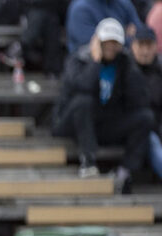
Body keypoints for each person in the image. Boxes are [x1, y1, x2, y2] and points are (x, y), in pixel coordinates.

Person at [54, 17, 152, 192]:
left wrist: (129, 63)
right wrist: (96, 61)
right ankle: (88, 161)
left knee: (145, 117)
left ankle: (125, 171)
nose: (111, 47)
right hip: (74, 123)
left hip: (104, 123)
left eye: (115, 43)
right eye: (107, 42)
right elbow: (82, 87)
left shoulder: (124, 63)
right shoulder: (79, 59)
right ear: (97, 41)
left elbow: (139, 99)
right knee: (83, 101)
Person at [132, 26, 162, 179]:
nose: (144, 51)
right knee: (152, 140)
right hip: (137, 129)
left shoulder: (159, 70)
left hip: (158, 125)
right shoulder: (125, 69)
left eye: (148, 45)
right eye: (141, 45)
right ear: (133, 46)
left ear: (156, 47)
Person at [67, 0, 144, 52]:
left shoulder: (123, 3)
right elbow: (100, 46)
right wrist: (124, 34)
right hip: (87, 66)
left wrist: (113, 39)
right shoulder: (80, 9)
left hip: (124, 64)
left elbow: (141, 36)